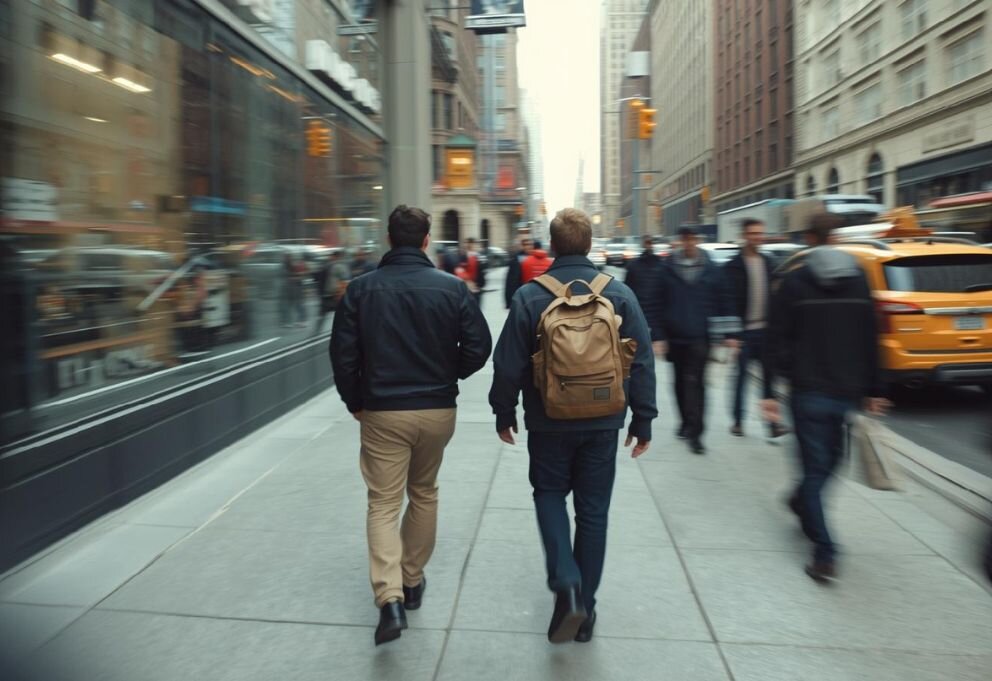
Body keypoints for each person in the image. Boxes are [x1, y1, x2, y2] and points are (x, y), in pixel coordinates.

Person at [489, 208, 657, 644]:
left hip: (548, 420)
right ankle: (587, 606)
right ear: (587, 244)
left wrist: (503, 412)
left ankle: (565, 579)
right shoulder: (618, 294)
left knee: (548, 494)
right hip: (604, 420)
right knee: (593, 512)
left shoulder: (530, 297)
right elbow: (641, 360)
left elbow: (507, 364)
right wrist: (644, 418)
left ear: (555, 244)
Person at [330, 205, 493, 645]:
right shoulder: (452, 289)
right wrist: (448, 374)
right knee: (424, 492)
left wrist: (355, 401)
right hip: (437, 409)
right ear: (426, 239)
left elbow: (342, 355)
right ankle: (413, 579)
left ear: (389, 238)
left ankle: (391, 600)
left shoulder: (361, 290)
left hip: (382, 410)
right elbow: (480, 346)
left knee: (383, 503)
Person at [762, 213, 887, 583]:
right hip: (843, 391)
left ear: (809, 237)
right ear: (833, 237)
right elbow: (871, 336)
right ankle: (825, 550)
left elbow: (775, 339)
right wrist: (875, 388)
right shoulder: (858, 279)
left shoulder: (795, 282)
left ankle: (804, 504)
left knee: (818, 469)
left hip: (809, 391)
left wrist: (772, 388)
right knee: (829, 465)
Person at [656, 226, 722, 455]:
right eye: (685, 238)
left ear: (698, 240)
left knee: (696, 384)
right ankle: (685, 421)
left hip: (700, 337)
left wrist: (723, 335)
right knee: (679, 384)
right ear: (680, 240)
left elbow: (721, 300)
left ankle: (696, 432)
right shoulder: (667, 268)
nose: (690, 243)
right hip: (674, 336)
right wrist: (658, 336)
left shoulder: (710, 268)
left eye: (693, 238)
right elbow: (656, 302)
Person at [721, 219, 789, 439]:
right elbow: (728, 300)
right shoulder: (734, 265)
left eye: (760, 233)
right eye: (753, 233)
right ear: (745, 235)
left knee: (770, 379)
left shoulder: (769, 263)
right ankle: (738, 421)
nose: (757, 237)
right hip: (744, 333)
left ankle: (772, 424)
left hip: (766, 332)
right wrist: (731, 334)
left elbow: (778, 297)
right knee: (740, 377)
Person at [624, 234, 666, 356]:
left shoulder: (661, 266)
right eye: (647, 242)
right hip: (641, 316)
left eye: (649, 242)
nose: (648, 245)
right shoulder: (660, 266)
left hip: (649, 318)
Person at [313, 250, 351, 335]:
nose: (330, 257)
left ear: (335, 256)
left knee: (323, 316)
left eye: (331, 256)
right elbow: (345, 281)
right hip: (333, 295)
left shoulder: (331, 266)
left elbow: (317, 278)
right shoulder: (336, 266)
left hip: (330, 295)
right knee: (344, 316)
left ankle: (316, 333)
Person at [504, 236, 534, 308]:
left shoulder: (536, 258)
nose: (528, 247)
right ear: (522, 246)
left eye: (530, 244)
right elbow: (510, 281)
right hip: (520, 292)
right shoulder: (515, 259)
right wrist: (508, 300)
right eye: (525, 245)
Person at [280, 252, 307, 328]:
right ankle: (294, 321)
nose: (287, 258)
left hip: (295, 287)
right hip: (291, 288)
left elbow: (299, 275)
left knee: (297, 304)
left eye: (287, 257)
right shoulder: (286, 265)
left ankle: (300, 321)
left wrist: (296, 277)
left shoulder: (292, 265)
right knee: (294, 305)